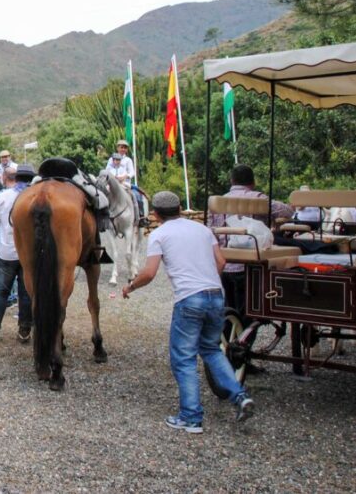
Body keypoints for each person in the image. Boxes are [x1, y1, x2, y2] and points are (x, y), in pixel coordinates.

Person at [123, 191, 255, 433]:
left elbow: (150, 273)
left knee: (183, 359)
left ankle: (191, 416)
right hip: (215, 295)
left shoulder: (159, 234)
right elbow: (222, 263)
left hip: (189, 299)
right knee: (212, 350)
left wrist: (130, 285)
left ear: (155, 214)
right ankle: (239, 396)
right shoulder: (203, 230)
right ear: (181, 208)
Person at [207, 164, 293, 314]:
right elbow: (288, 211)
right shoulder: (260, 199)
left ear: (232, 181)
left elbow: (209, 230)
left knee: (228, 306)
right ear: (253, 182)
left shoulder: (219, 201)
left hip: (223, 262)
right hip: (250, 264)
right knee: (247, 309)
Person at [0, 164, 34, 342]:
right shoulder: (35, 197)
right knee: (26, 292)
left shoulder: (3, 196)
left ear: (15, 178)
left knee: (1, 291)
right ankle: (24, 331)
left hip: (6, 251)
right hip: (29, 254)